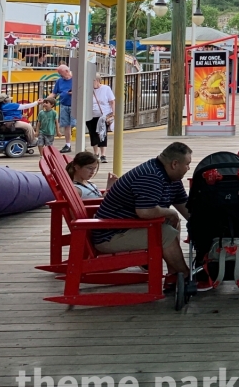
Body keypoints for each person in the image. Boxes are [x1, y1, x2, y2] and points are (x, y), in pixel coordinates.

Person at [92, 142, 193, 278]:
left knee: (170, 223)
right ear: (174, 164)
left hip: (130, 227)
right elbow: (145, 211)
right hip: (110, 235)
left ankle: (174, 274)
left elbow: (187, 209)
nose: (188, 168)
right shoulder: (151, 175)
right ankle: (185, 276)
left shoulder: (171, 177)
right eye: (187, 164)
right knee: (165, 233)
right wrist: (171, 212)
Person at [87, 77, 116, 162]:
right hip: (90, 115)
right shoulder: (88, 89)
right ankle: (96, 153)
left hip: (103, 115)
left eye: (93, 80)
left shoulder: (106, 88)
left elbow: (112, 101)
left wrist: (113, 113)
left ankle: (103, 155)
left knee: (102, 134)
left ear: (98, 80)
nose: (91, 82)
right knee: (93, 134)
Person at [50, 64, 75, 153]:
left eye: (61, 73)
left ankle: (81, 144)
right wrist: (47, 100)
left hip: (75, 105)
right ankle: (68, 145)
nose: (60, 75)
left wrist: (74, 93)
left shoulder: (76, 79)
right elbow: (54, 93)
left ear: (67, 71)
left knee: (76, 125)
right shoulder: (59, 81)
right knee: (66, 125)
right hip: (64, 105)